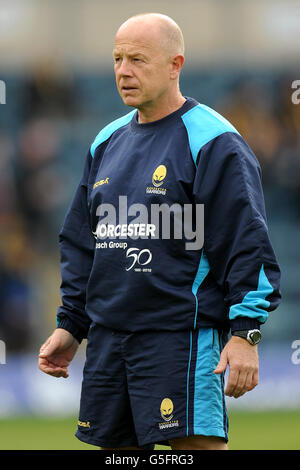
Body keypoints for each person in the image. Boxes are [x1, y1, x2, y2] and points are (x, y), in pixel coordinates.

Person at [38, 13, 281, 450]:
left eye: (137, 59)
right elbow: (81, 241)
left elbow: (246, 242)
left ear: (175, 64)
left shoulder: (212, 139)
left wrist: (246, 334)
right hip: (109, 341)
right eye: (117, 59)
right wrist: (71, 324)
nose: (123, 71)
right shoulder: (105, 142)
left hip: (179, 337)